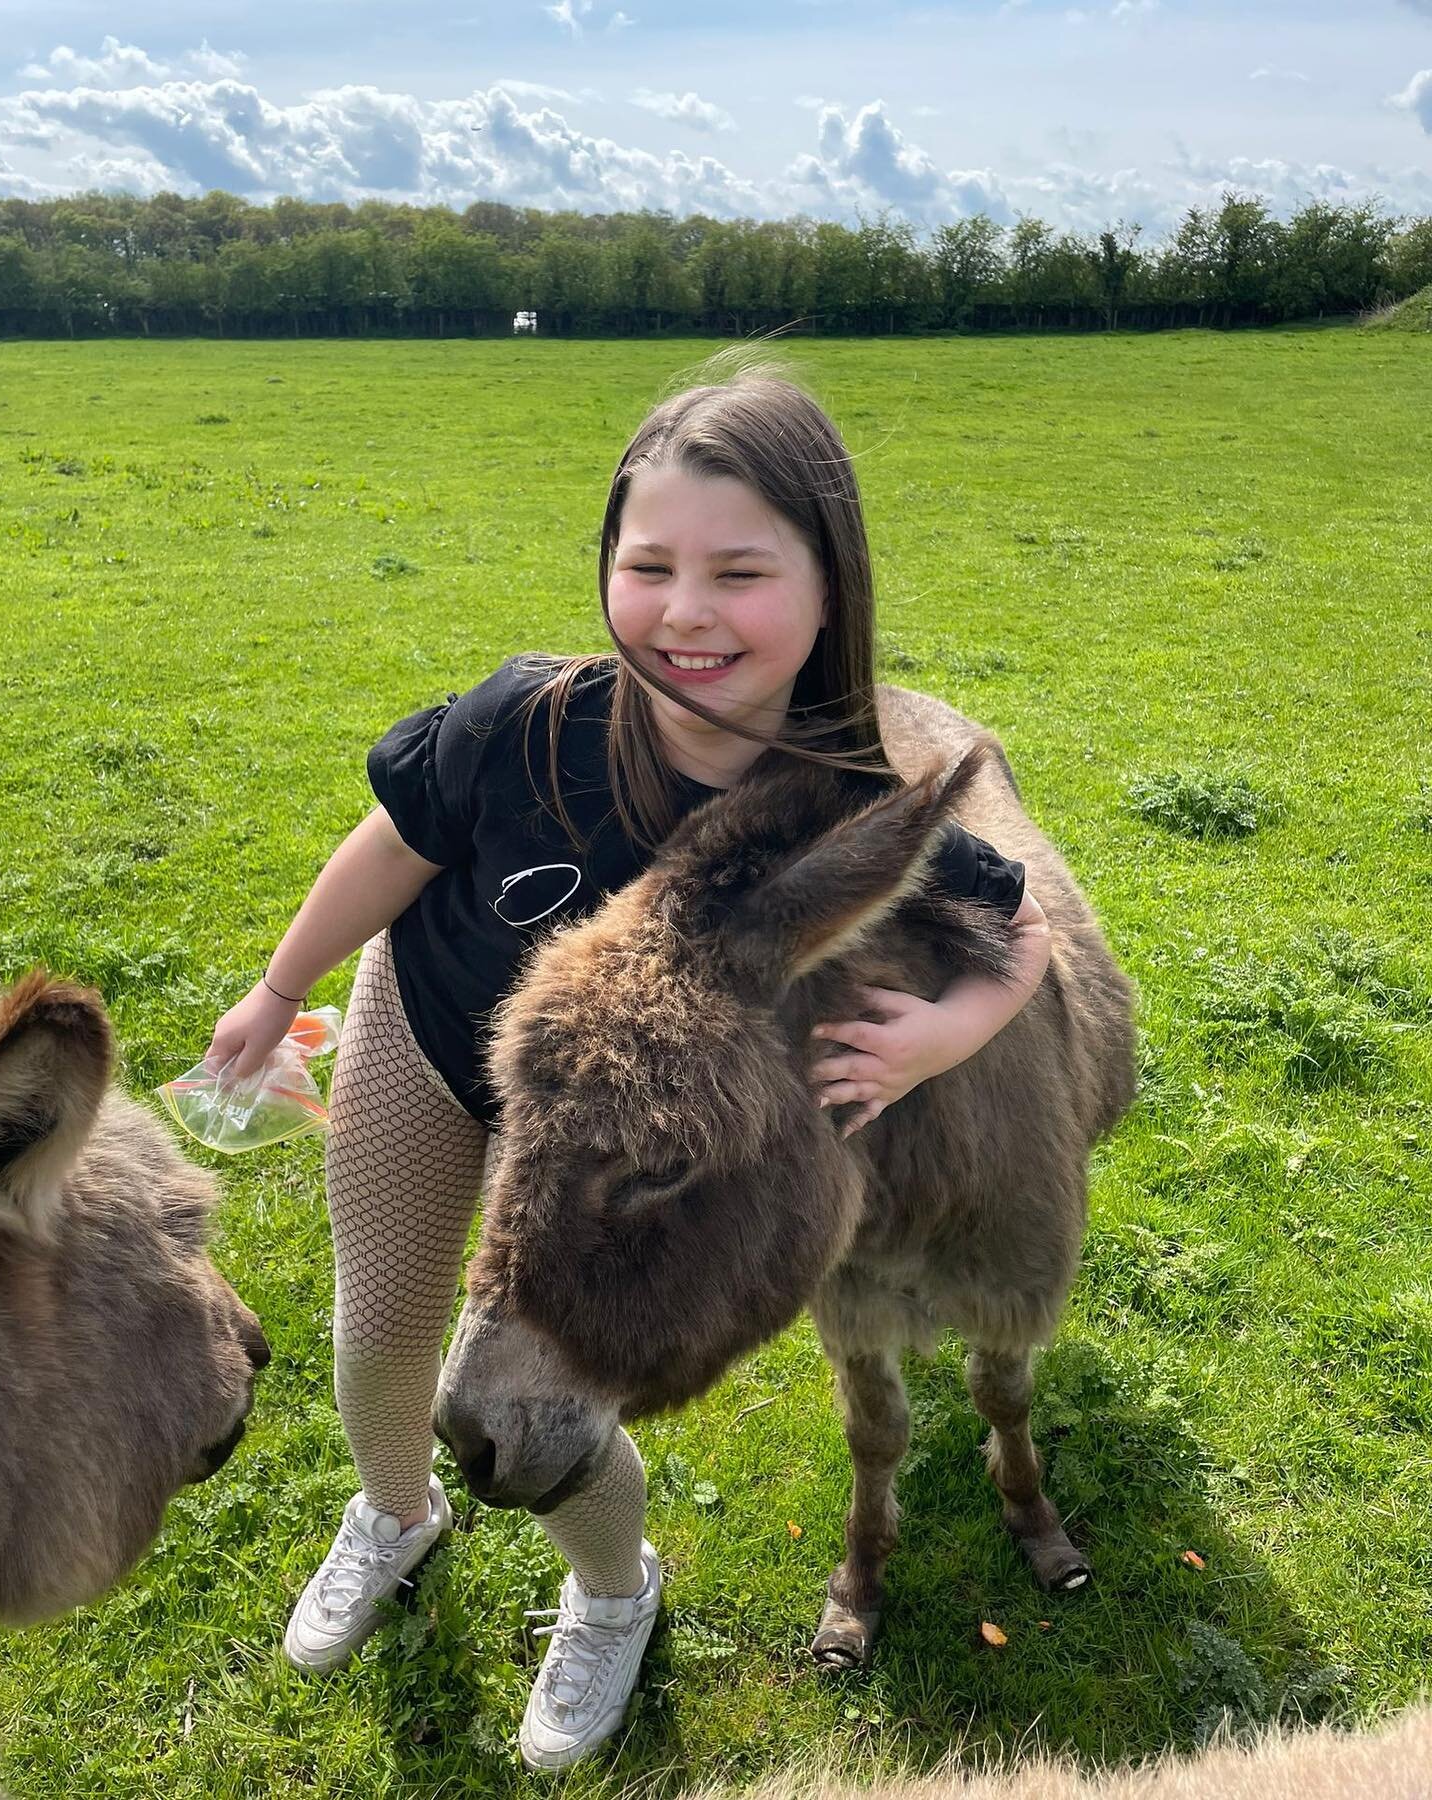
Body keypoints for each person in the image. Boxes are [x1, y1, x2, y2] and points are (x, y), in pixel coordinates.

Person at [204, 354, 1053, 1772]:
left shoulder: (845, 806)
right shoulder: (522, 719)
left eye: (740, 570)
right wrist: (278, 985)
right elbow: (395, 850)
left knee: (567, 1364)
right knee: (382, 1340)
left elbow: (1014, 925)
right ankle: (393, 1512)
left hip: (632, 1135)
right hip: (437, 1032)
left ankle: (611, 1594)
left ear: (831, 583)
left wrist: (945, 1036)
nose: (687, 612)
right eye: (648, 564)